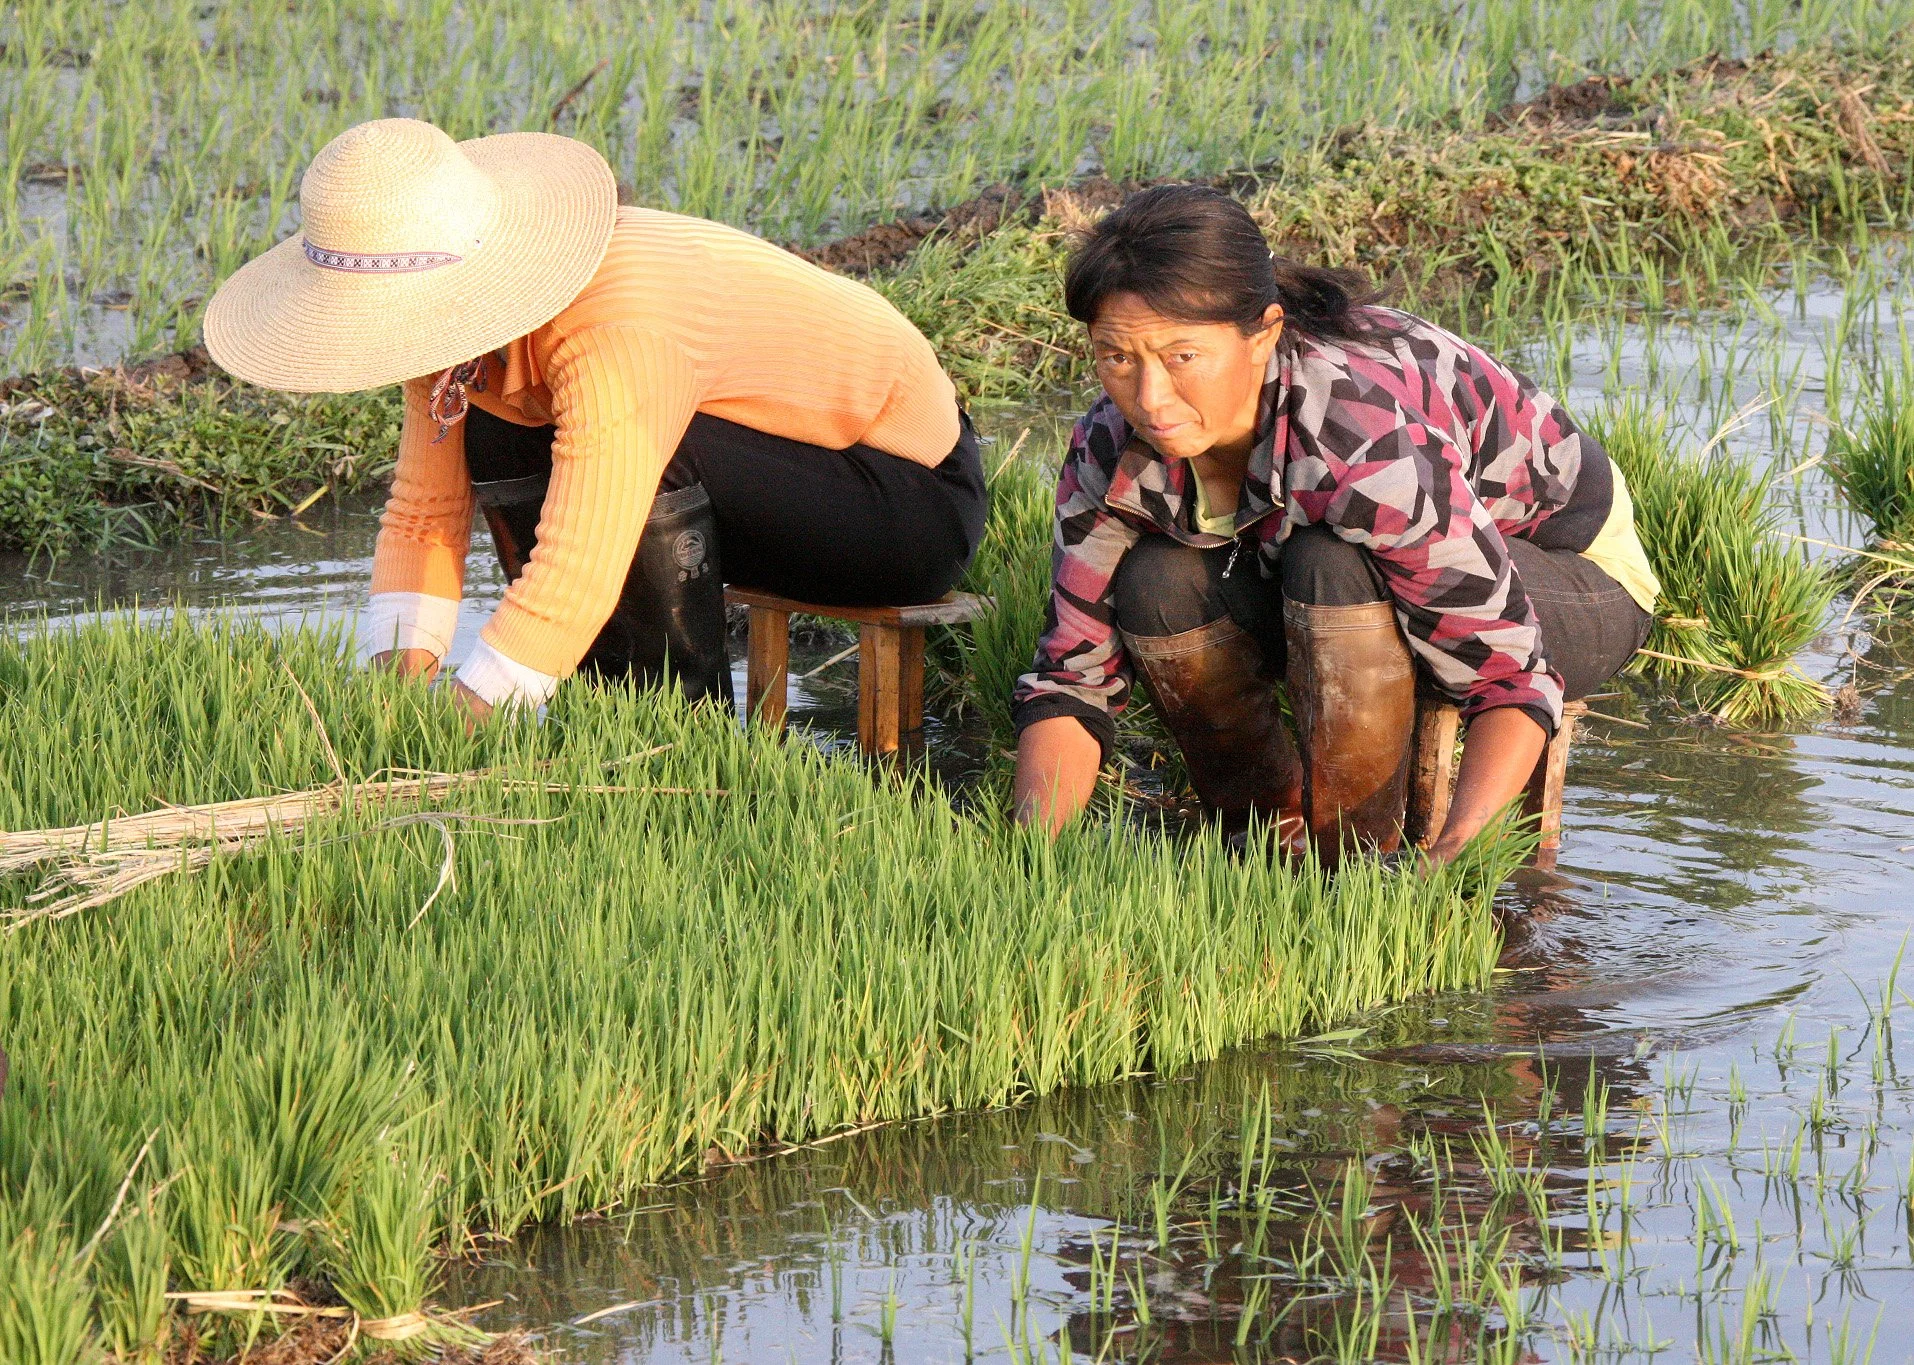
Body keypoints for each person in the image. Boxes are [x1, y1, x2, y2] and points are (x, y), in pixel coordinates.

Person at [205, 119, 985, 718]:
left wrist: (471, 710)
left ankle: (676, 743)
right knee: (498, 421)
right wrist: (394, 701)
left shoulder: (618, 328)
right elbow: (422, 516)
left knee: (636, 455)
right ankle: (603, 715)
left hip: (904, 500)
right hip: (767, 470)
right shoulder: (451, 344)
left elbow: (582, 552)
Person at [1011, 185, 1658, 865]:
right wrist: (1035, 861)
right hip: (1338, 577)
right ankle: (1264, 846)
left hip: (1569, 582)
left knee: (1334, 563)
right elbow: (1071, 676)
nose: (1149, 397)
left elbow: (1508, 674)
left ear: (1262, 334)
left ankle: (1354, 864)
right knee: (1154, 581)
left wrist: (1456, 857)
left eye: (1181, 358)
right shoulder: (1110, 450)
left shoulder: (1358, 436)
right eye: (1117, 358)